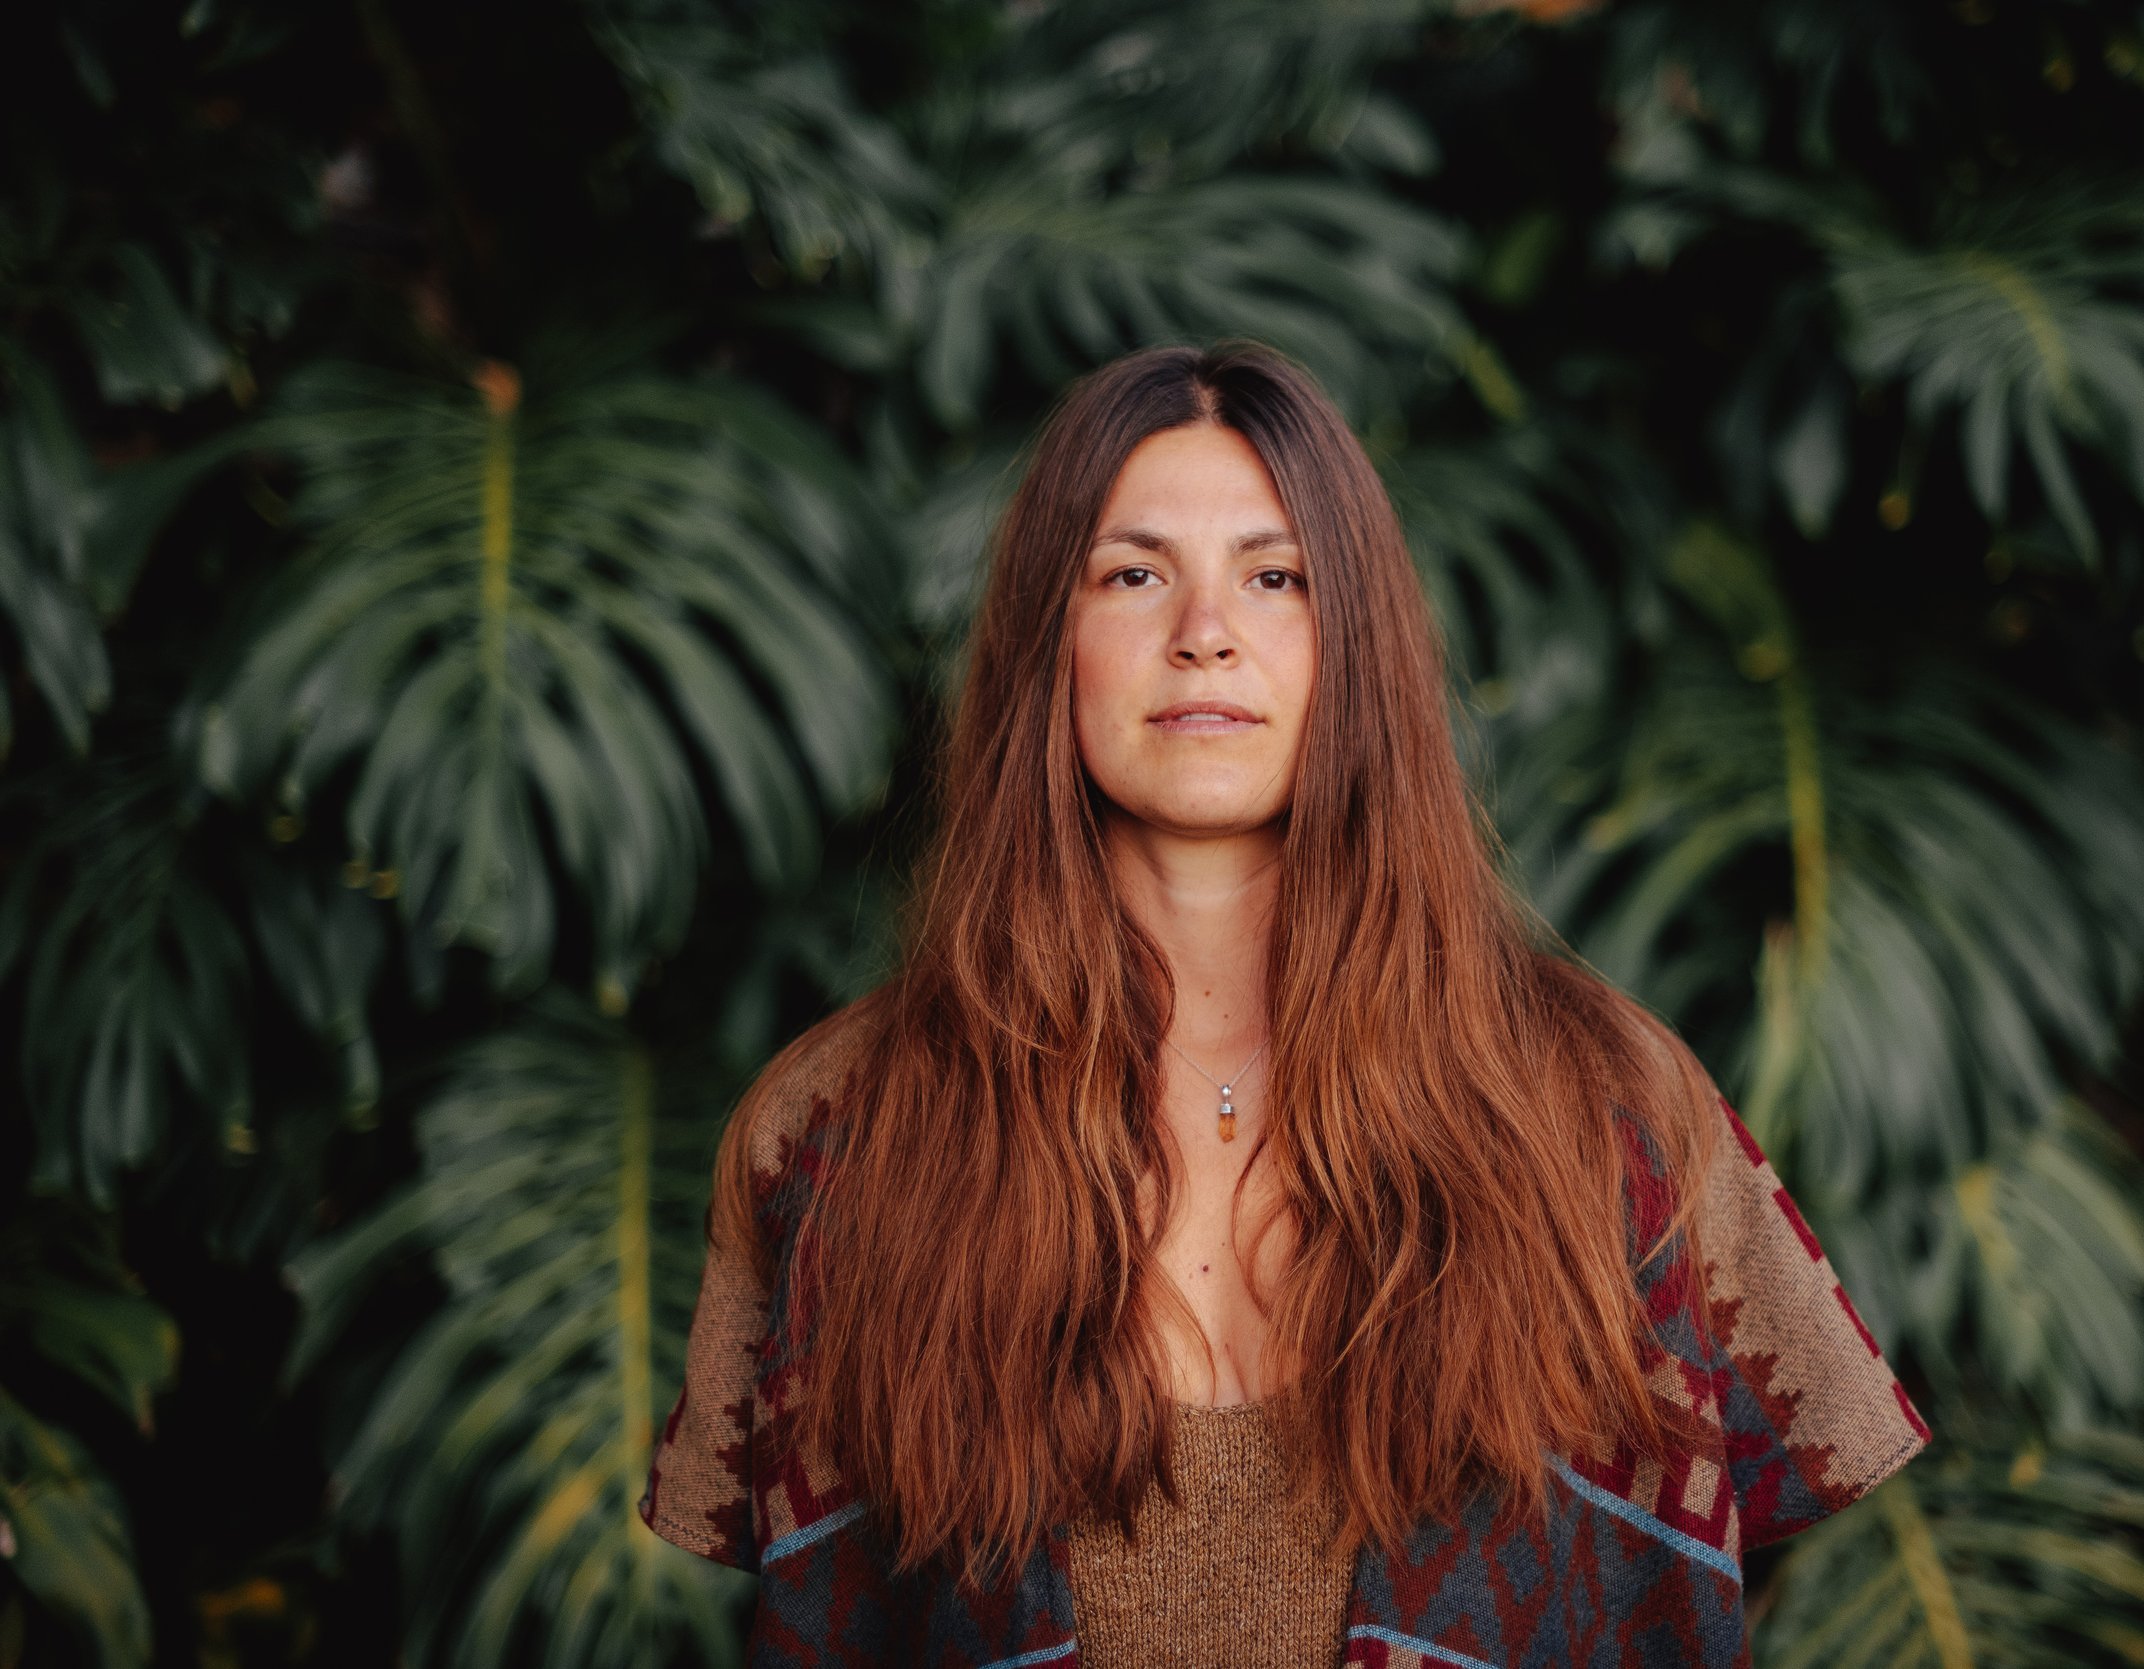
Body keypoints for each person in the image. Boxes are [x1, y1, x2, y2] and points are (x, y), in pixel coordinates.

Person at [640, 340, 1928, 1668]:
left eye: (1276, 577)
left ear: (1355, 645)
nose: (1205, 630)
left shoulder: (1605, 1108)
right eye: (1134, 575)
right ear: (1046, 640)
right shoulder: (840, 1130)